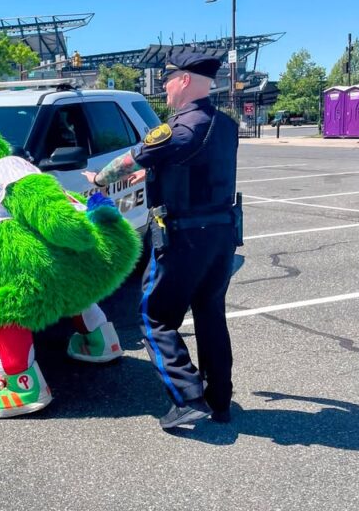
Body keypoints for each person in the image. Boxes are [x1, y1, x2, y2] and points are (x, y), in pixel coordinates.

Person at [82, 52, 241, 429]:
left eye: (168, 79)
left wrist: (99, 180)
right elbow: (197, 168)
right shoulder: (226, 125)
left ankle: (187, 398)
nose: (164, 87)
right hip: (222, 234)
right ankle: (220, 400)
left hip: (185, 237)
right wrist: (152, 176)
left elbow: (129, 160)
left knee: (154, 316)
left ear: (184, 80)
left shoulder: (179, 128)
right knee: (210, 313)